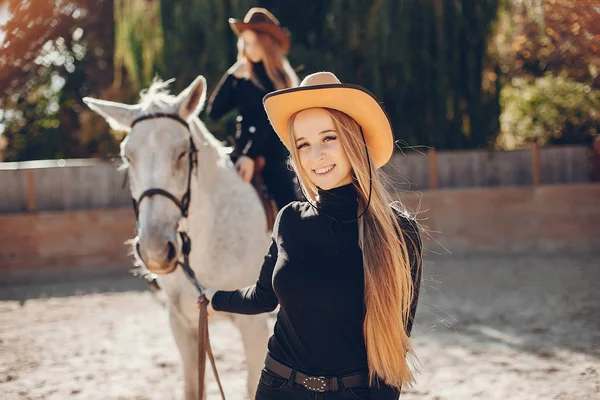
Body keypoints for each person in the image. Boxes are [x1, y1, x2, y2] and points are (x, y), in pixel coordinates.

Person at [206, 71, 423, 400]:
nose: (315, 155)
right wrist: (213, 300)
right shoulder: (289, 219)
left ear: (353, 139)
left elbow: (396, 343)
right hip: (277, 387)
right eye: (303, 144)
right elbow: (264, 297)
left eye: (328, 138)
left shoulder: (397, 232)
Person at [207, 7, 299, 209]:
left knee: (289, 205)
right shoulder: (243, 79)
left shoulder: (280, 82)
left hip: (270, 156)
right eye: (245, 43)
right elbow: (214, 112)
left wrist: (251, 156)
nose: (248, 49)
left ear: (266, 43)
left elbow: (269, 123)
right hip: (240, 152)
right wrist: (231, 76)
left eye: (253, 43)